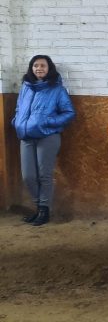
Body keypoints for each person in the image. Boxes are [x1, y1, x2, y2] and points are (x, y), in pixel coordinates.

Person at [12, 55, 76, 226]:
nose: (39, 68)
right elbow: (19, 108)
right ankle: (40, 206)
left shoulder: (57, 89)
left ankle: (44, 211)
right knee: (28, 176)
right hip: (26, 136)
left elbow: (69, 113)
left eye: (43, 65)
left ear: (49, 69)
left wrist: (48, 123)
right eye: (35, 65)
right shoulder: (26, 87)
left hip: (48, 136)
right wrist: (17, 122)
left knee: (43, 175)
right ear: (31, 68)